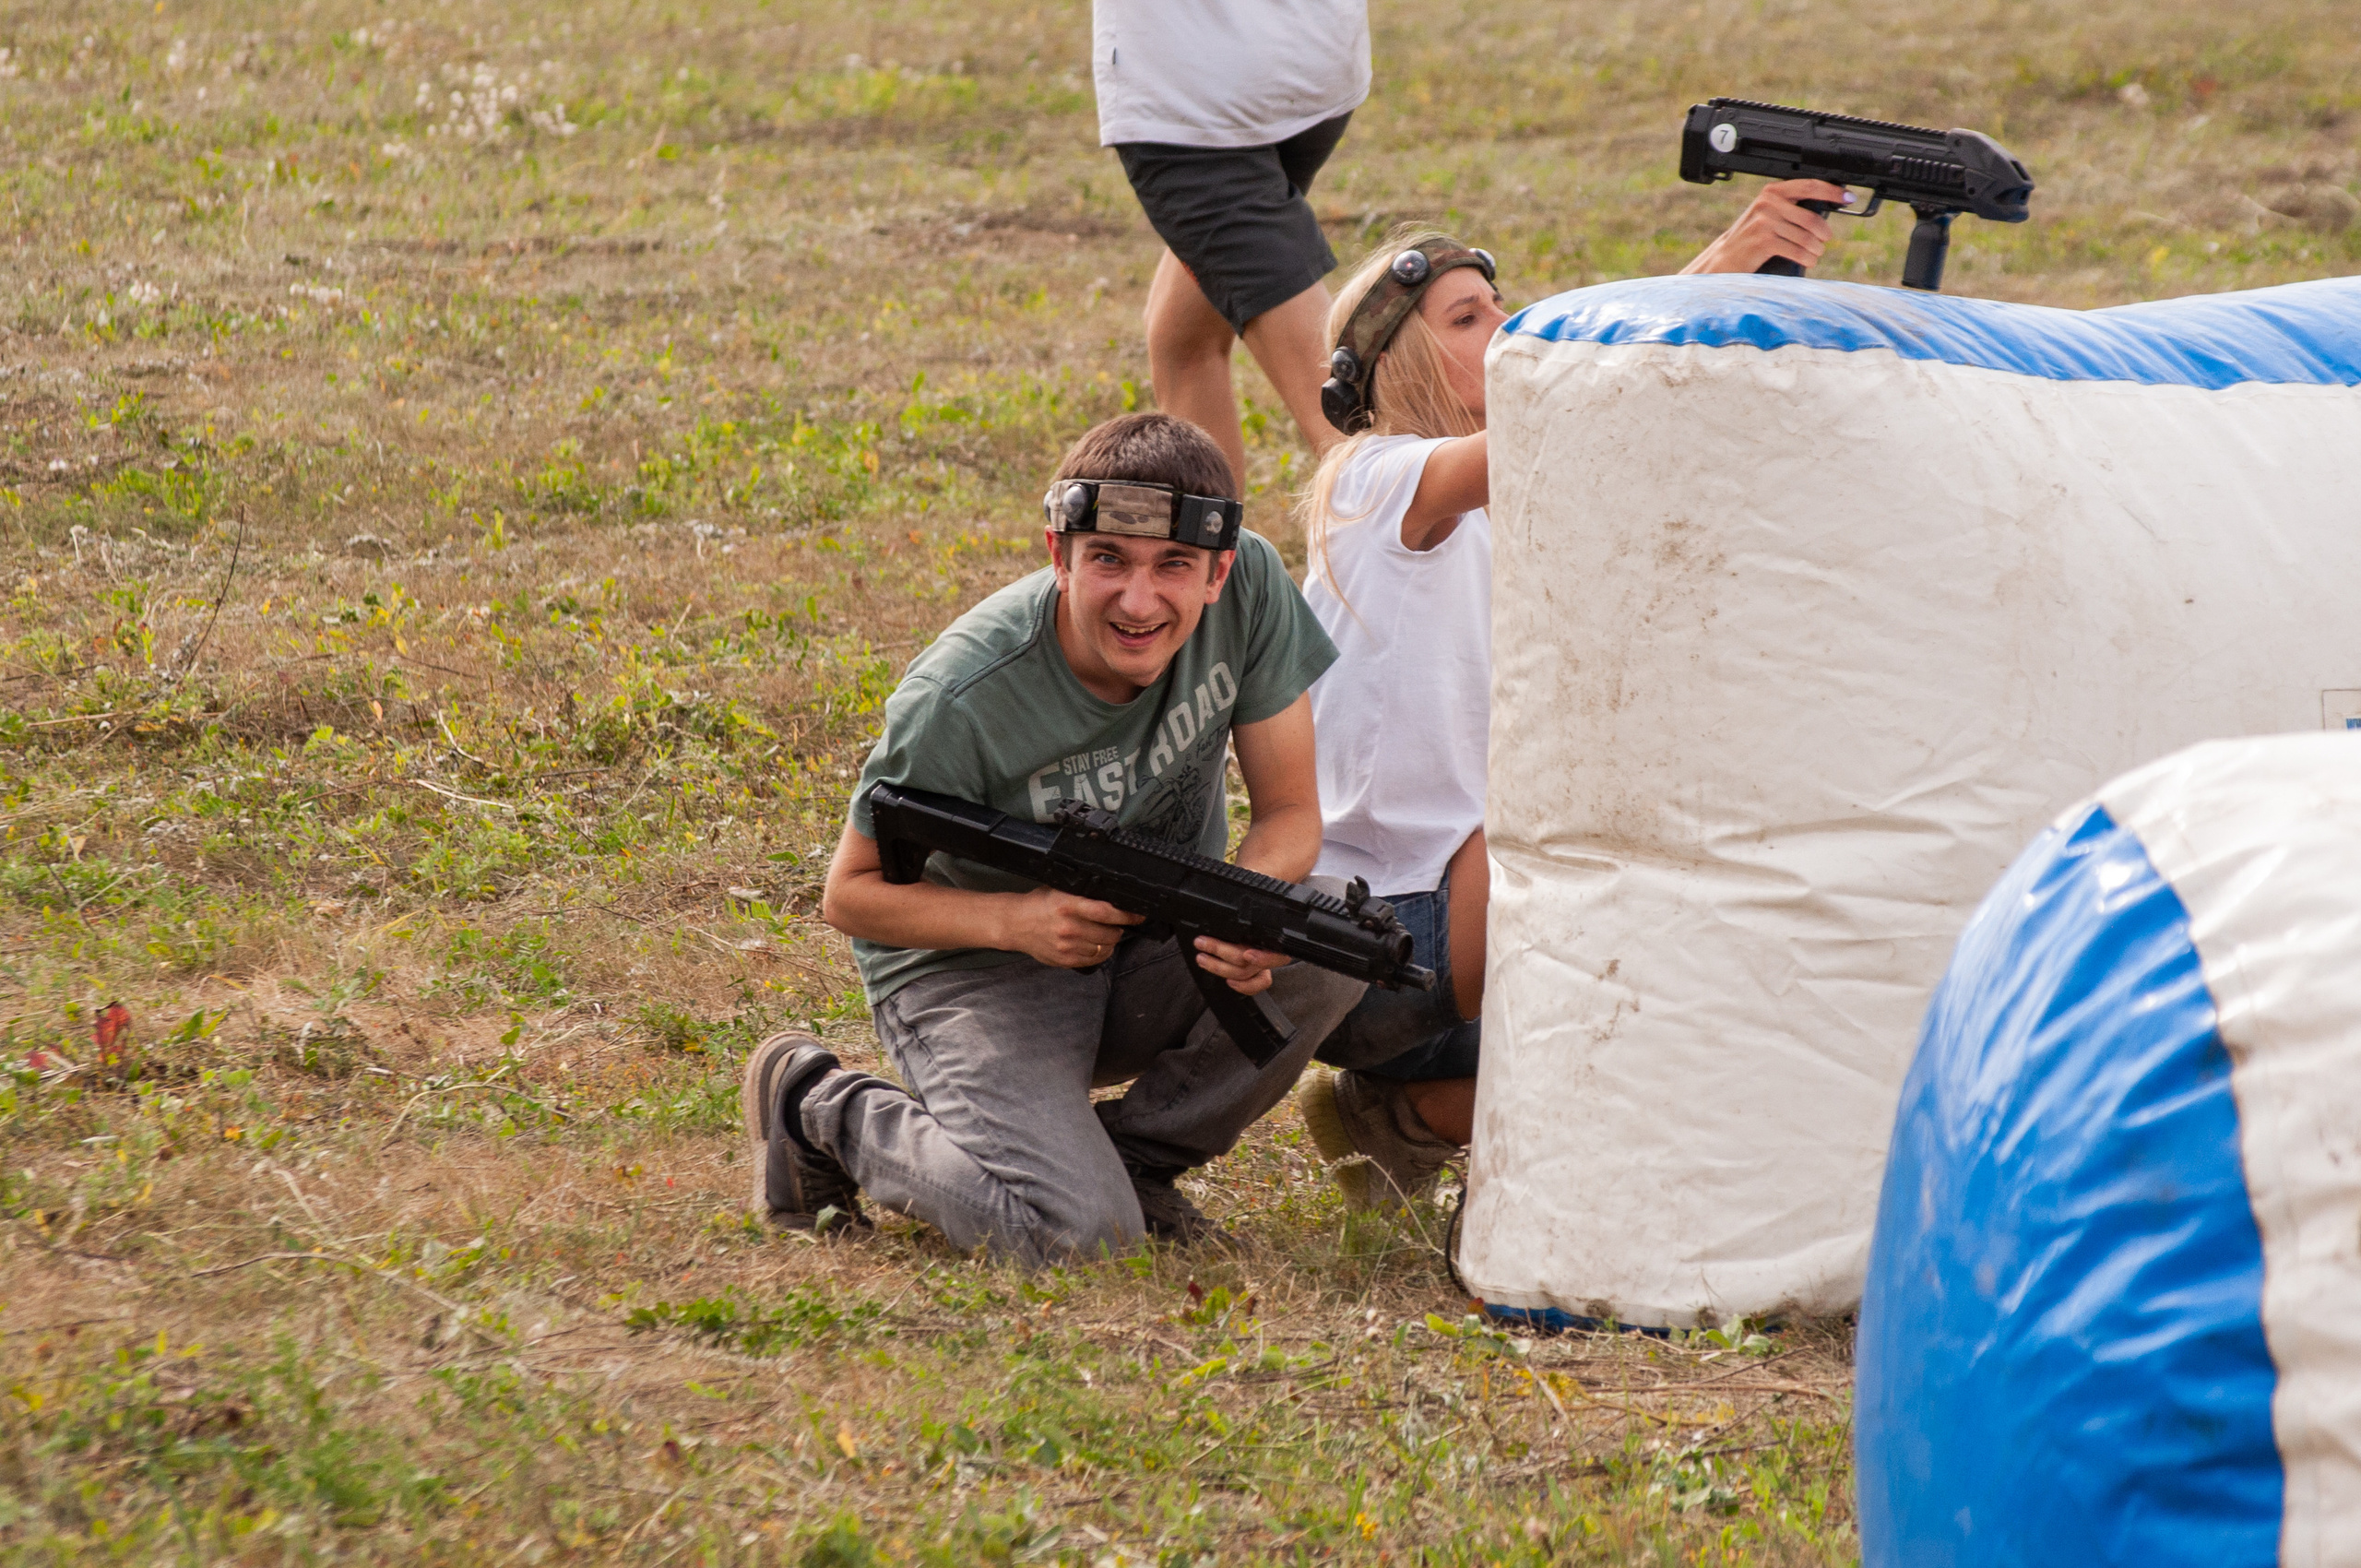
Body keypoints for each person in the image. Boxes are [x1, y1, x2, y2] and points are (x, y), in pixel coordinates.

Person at [1290, 184, 1852, 1208]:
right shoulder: (1370, 480)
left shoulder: (1518, 503)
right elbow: (1581, 405)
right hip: (1366, 945)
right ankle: (1411, 1100)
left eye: (1503, 309)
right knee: (1631, 963)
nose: (1507, 332)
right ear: (1403, 361)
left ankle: (1401, 1116)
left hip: (1452, 950)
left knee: (1679, 1023)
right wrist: (1715, 271)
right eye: (1468, 319)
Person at [742, 411, 1364, 1265]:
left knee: (1326, 936)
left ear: (1218, 570)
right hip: (975, 972)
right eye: (1107, 558)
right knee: (1078, 1238)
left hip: (1146, 937)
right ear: (1057, 555)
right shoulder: (963, 694)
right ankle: (818, 1105)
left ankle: (1136, 1167)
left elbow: (1291, 813)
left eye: (1173, 566)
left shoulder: (1252, 585)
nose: (1139, 601)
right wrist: (1018, 921)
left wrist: (1244, 912)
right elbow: (848, 896)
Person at [1092, 0, 1370, 491]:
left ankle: (1468, 547)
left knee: (1359, 446)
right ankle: (1211, 560)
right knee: (1183, 340)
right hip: (1316, 60)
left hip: (1194, 100)